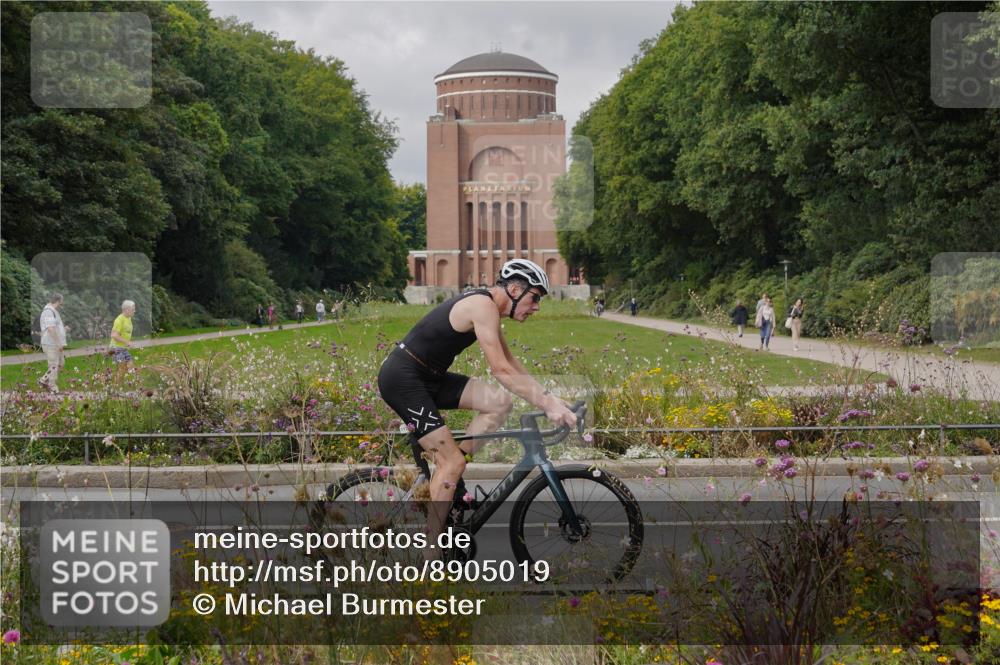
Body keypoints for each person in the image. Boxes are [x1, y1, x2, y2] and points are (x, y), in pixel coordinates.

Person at [377, 259, 577, 558]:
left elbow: (512, 363)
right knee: (451, 464)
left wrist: (552, 399)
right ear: (514, 289)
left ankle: (453, 470)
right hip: (403, 379)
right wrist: (546, 405)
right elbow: (500, 370)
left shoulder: (489, 307)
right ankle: (430, 559)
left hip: (428, 377)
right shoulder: (482, 306)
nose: (536, 307)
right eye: (535, 297)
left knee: (499, 403)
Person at [38, 293, 68, 393]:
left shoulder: (53, 311)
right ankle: (53, 388)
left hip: (55, 343)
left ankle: (43, 380)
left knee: (61, 363)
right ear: (59, 301)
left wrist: (63, 330)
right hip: (50, 343)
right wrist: (58, 343)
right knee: (54, 365)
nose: (62, 304)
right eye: (61, 302)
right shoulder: (48, 312)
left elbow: (55, 327)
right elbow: (50, 329)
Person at [109, 300, 136, 381]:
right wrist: (127, 342)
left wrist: (127, 343)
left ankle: (120, 381)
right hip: (116, 348)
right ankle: (117, 386)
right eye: (133, 309)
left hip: (123, 348)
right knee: (122, 369)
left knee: (131, 366)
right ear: (126, 310)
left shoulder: (128, 318)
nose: (134, 311)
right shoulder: (119, 320)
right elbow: (114, 335)